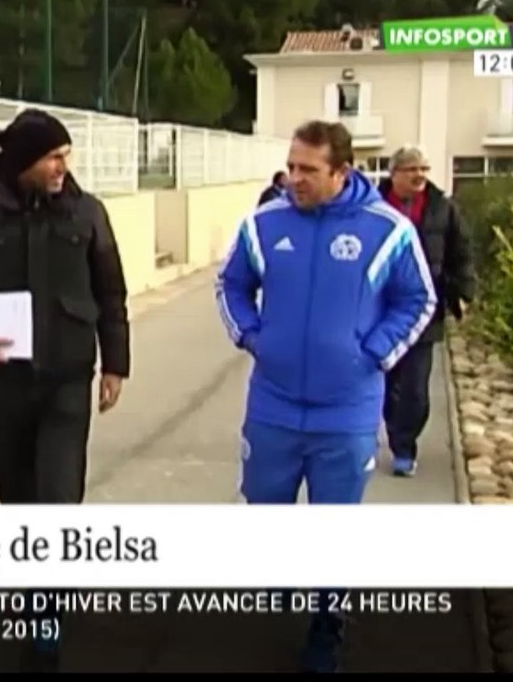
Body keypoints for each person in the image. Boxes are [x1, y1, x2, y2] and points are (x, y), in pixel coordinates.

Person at [215, 121, 437, 672]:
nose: (295, 179)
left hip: (347, 409)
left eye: (308, 170)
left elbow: (418, 299)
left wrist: (375, 351)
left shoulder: (386, 230)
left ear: (342, 171)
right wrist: (251, 335)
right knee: (265, 506)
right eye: (291, 167)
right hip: (273, 403)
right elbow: (231, 285)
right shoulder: (264, 224)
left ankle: (326, 623)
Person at [0, 108, 131, 666]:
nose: (64, 166)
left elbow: (111, 292)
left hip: (69, 378)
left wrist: (115, 363)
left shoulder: (88, 213)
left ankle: (46, 607)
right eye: (53, 157)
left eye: (66, 156)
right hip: (6, 382)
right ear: (24, 163)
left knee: (58, 498)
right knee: (17, 497)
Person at [376, 145, 476, 477]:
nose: (420, 175)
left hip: (424, 309)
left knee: (416, 387)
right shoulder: (373, 208)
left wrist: (464, 292)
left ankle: (404, 446)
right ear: (395, 174)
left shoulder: (442, 209)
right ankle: (392, 429)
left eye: (424, 169)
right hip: (380, 310)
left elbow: (461, 253)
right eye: (412, 169)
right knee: (386, 381)